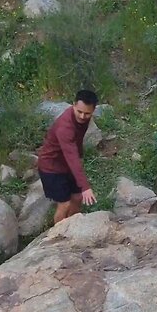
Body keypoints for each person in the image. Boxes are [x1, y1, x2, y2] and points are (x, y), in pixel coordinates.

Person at [35, 89, 98, 224]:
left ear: (93, 110)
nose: (82, 116)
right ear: (73, 104)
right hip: (51, 167)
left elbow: (78, 141)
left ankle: (72, 225)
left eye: (87, 113)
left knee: (78, 197)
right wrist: (86, 187)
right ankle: (58, 234)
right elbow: (72, 157)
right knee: (65, 204)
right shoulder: (65, 127)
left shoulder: (82, 119)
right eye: (79, 111)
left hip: (66, 165)